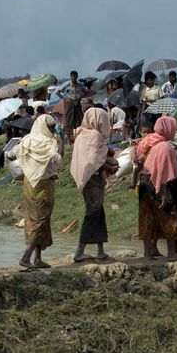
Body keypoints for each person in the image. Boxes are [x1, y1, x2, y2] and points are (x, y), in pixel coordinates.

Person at [8, 115, 62, 270]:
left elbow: (11, 154)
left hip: (29, 184)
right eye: (51, 127)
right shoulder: (49, 143)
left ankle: (38, 259)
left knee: (37, 219)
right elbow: (60, 160)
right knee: (40, 220)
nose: (52, 130)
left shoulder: (27, 140)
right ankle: (26, 257)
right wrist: (61, 142)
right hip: (44, 185)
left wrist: (28, 161)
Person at [135, 117, 177, 260]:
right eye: (174, 128)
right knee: (169, 216)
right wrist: (164, 193)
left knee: (146, 217)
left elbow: (138, 159)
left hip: (144, 182)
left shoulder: (147, 140)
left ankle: (147, 254)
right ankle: (171, 253)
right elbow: (162, 173)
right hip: (157, 184)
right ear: (168, 129)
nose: (175, 131)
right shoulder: (165, 147)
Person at [70, 108, 118, 261]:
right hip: (93, 179)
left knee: (98, 212)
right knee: (92, 213)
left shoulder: (80, 134)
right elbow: (96, 161)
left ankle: (100, 250)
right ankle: (79, 252)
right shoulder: (95, 136)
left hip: (85, 178)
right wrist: (110, 168)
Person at [57, 71, 86, 143]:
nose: (73, 78)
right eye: (72, 76)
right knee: (69, 120)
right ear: (70, 77)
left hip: (77, 103)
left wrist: (80, 97)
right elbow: (58, 92)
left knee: (79, 119)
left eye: (74, 76)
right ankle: (69, 138)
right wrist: (64, 99)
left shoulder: (80, 85)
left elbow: (85, 91)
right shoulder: (67, 85)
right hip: (70, 103)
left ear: (77, 76)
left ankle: (78, 136)